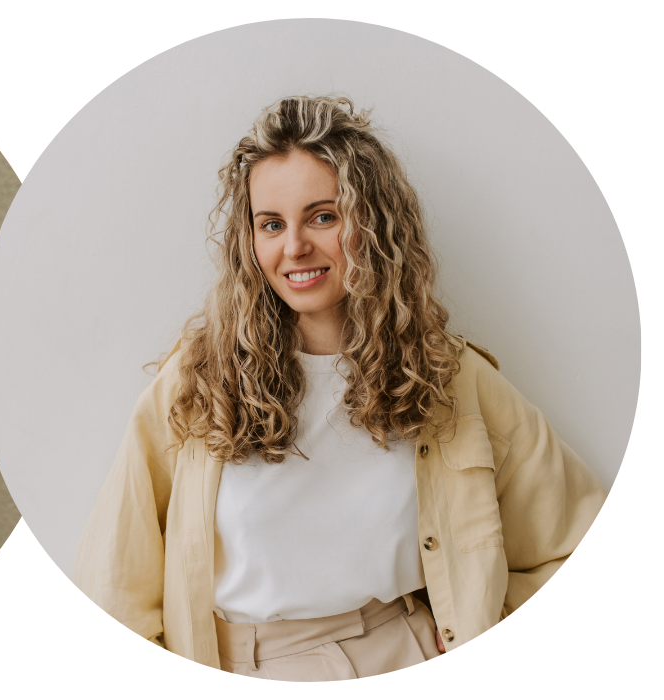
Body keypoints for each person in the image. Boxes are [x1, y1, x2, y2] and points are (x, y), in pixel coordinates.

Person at [74, 96, 607, 689]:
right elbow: (114, 589)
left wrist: (489, 632)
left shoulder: (447, 376)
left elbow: (587, 552)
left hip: (405, 663)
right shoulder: (198, 382)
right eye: (271, 224)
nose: (294, 247)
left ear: (373, 225)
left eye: (323, 217)